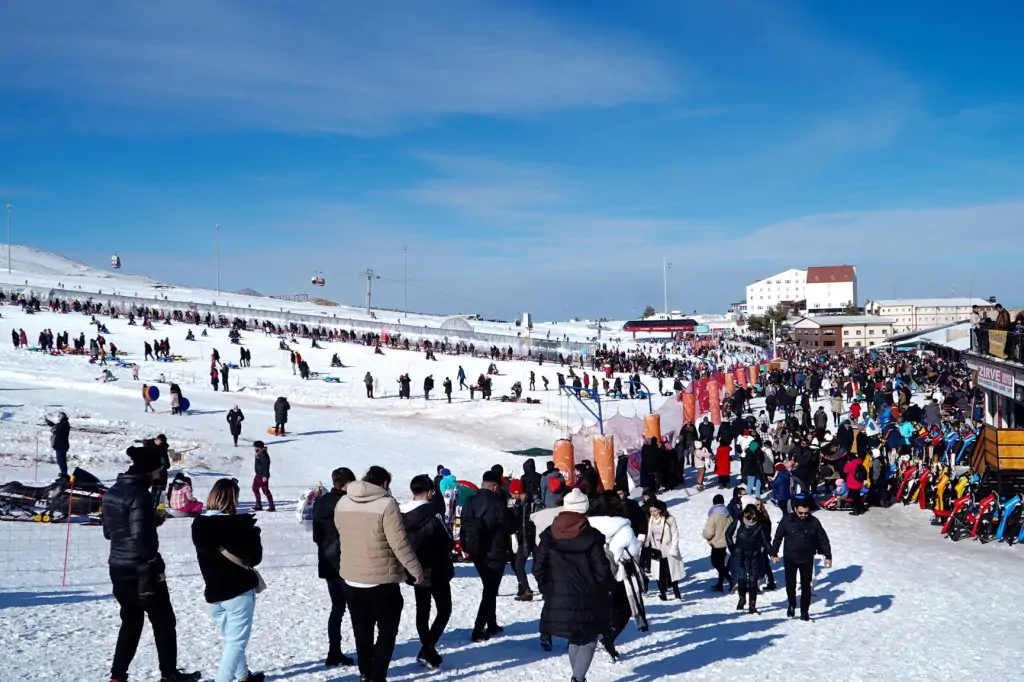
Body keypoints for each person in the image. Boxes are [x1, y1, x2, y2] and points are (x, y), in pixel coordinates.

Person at [103, 445, 200, 682]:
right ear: (149, 470)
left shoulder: (113, 491)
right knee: (164, 621)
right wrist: (155, 563)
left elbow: (110, 532)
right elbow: (140, 540)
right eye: (159, 469)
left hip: (117, 566)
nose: (160, 474)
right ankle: (169, 674)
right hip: (141, 569)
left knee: (131, 621)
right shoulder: (140, 494)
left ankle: (117, 676)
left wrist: (149, 521)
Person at [334, 466, 424, 682]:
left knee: (361, 628)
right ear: (384, 483)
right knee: (387, 630)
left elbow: (340, 531)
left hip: (351, 577)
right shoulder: (387, 504)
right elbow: (399, 543)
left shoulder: (343, 501)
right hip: (381, 580)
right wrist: (415, 570)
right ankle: (378, 676)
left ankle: (365, 671)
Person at [534, 488, 614, 682]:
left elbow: (538, 567)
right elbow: (602, 570)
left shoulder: (548, 534)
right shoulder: (592, 536)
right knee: (588, 640)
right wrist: (605, 589)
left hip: (558, 594)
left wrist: (548, 589)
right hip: (589, 595)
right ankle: (578, 679)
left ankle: (578, 678)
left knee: (575, 638)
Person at [191, 479, 265, 682]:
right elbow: (255, 558)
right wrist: (254, 534)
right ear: (233, 499)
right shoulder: (238, 526)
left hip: (214, 593)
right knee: (236, 644)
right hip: (238, 591)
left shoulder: (200, 524)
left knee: (232, 641)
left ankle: (243, 676)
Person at [400, 474, 455, 670]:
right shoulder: (433, 512)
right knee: (444, 609)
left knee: (422, 610)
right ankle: (428, 649)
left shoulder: (400, 513)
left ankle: (427, 649)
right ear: (430, 492)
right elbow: (447, 541)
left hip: (414, 568)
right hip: (437, 567)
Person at [459, 470, 515, 641]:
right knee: (490, 591)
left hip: (476, 551)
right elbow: (510, 526)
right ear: (496, 486)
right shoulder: (497, 502)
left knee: (489, 587)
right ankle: (478, 629)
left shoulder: (470, 500)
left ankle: (492, 623)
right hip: (494, 552)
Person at [588, 491, 643, 661]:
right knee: (623, 609)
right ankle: (609, 637)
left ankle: (595, 635)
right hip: (617, 575)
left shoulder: (588, 524)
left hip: (592, 573)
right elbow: (634, 552)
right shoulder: (624, 528)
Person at [312, 467, 357, 668]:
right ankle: (364, 648)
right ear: (347, 484)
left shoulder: (320, 502)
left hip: (327, 561)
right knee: (357, 609)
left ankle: (334, 651)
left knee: (337, 608)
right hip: (348, 561)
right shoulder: (348, 502)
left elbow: (316, 535)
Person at [771, 496, 833, 621]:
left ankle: (805, 611)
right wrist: (774, 553)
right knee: (790, 584)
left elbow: (823, 539)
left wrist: (828, 555)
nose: (804, 515)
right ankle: (792, 604)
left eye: (806, 513)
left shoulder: (814, 522)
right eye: (801, 513)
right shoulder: (787, 521)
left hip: (807, 558)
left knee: (806, 586)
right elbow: (778, 537)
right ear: (795, 509)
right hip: (790, 557)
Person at [726, 501, 772, 614]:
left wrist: (772, 553)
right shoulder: (738, 522)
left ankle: (752, 605)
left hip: (754, 555)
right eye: (749, 518)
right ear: (745, 514)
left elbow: (766, 541)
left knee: (753, 580)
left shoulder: (760, 526)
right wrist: (732, 549)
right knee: (741, 579)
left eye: (754, 519)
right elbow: (728, 534)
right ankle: (742, 598)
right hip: (739, 555)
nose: (751, 521)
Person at [643, 500, 683, 600]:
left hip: (668, 550)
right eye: (651, 511)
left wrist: (674, 548)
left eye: (655, 511)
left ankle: (676, 592)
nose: (653, 513)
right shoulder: (650, 520)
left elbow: (675, 534)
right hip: (656, 550)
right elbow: (648, 535)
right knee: (659, 574)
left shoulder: (669, 519)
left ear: (660, 510)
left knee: (671, 573)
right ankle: (663, 593)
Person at [508, 479, 536, 601]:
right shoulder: (522, 503)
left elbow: (524, 523)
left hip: (528, 537)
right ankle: (525, 588)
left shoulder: (527, 504)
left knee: (519, 564)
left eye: (512, 492)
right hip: (525, 537)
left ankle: (527, 590)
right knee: (518, 563)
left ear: (517, 492)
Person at [701, 494, 731, 592]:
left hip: (716, 543)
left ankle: (731, 579)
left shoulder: (714, 515)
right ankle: (720, 583)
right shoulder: (727, 513)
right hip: (725, 542)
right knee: (721, 563)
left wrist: (706, 536)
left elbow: (709, 532)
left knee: (716, 563)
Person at [44, 411, 71, 478]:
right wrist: (49, 422)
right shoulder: (62, 423)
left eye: (59, 416)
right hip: (60, 445)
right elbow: (55, 426)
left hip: (62, 445)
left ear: (62, 417)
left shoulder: (64, 424)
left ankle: (64, 475)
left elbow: (58, 431)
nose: (58, 417)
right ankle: (63, 474)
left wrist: (54, 430)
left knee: (61, 460)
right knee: (60, 460)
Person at [251, 441, 275, 512]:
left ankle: (271, 506)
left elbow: (266, 465)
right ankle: (258, 505)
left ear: (258, 447)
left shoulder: (263, 454)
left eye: (255, 447)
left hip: (262, 476)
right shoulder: (259, 453)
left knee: (265, 491)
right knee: (255, 489)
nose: (254, 448)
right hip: (258, 475)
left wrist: (265, 476)